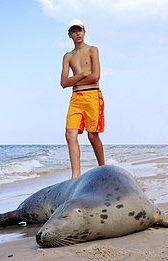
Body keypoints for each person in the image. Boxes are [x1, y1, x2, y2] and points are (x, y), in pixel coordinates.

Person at [60, 19, 105, 179]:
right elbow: (63, 83)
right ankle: (75, 177)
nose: (77, 33)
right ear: (69, 34)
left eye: (79, 30)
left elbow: (95, 76)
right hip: (76, 98)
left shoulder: (93, 50)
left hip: (92, 95)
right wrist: (81, 75)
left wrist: (75, 80)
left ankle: (102, 168)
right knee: (69, 134)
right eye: (74, 30)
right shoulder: (67, 56)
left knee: (92, 135)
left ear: (84, 32)